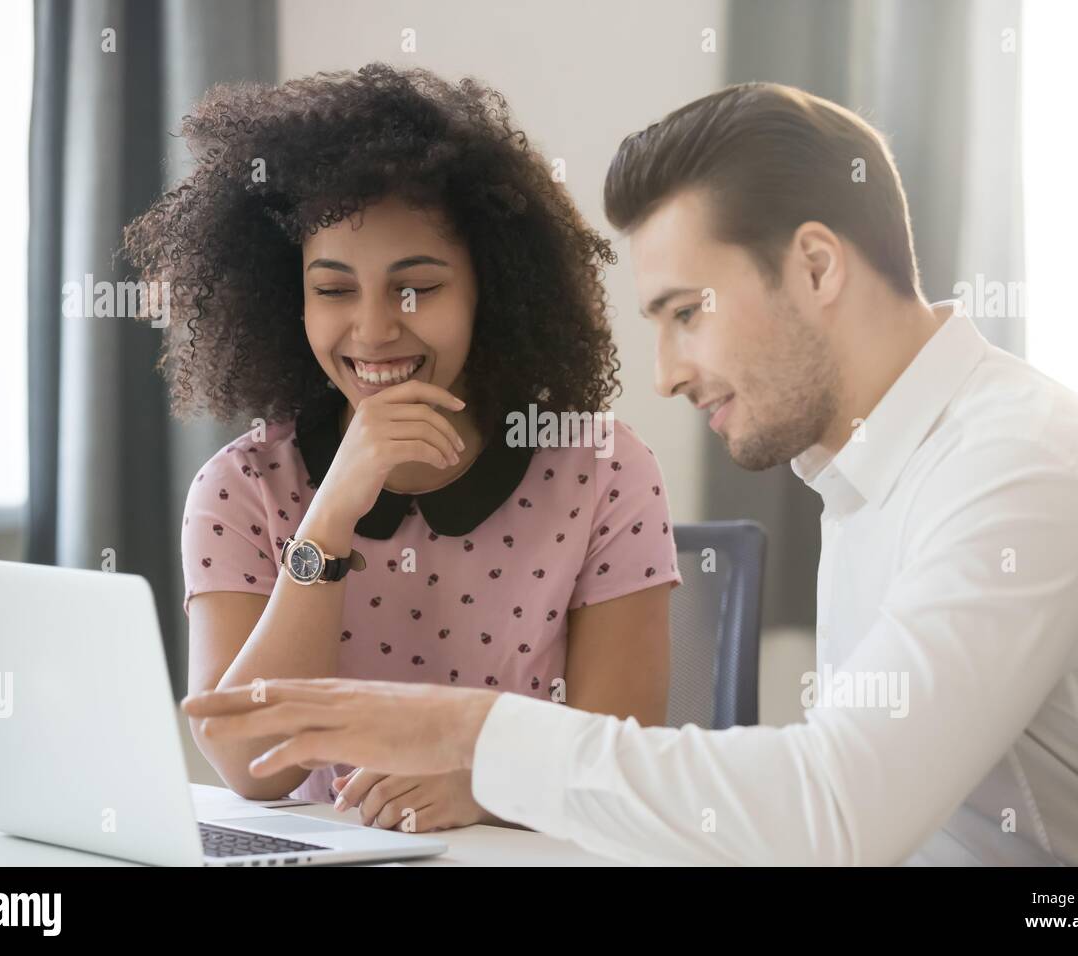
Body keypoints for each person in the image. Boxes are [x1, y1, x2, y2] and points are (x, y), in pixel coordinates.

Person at [183, 82, 1078, 865]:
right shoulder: (872, 468)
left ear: (815, 266)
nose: (667, 372)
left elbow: (836, 809)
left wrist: (474, 734)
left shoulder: (1013, 470)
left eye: (686, 311)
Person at [127, 64, 681, 833]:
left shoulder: (605, 471)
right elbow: (254, 766)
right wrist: (330, 515)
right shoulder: (241, 487)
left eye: (416, 287)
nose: (375, 329)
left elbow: (625, 756)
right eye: (334, 289)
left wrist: (486, 788)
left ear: (491, 288)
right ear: (291, 298)